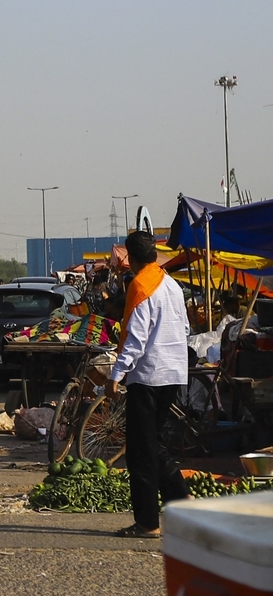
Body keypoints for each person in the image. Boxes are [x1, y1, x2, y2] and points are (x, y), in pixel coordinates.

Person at [105, 231, 190, 539]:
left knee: (141, 452)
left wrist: (115, 376)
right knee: (153, 443)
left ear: (130, 259)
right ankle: (181, 498)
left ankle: (147, 523)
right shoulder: (171, 285)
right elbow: (185, 327)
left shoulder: (141, 287)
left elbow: (136, 340)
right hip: (174, 372)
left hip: (149, 375)